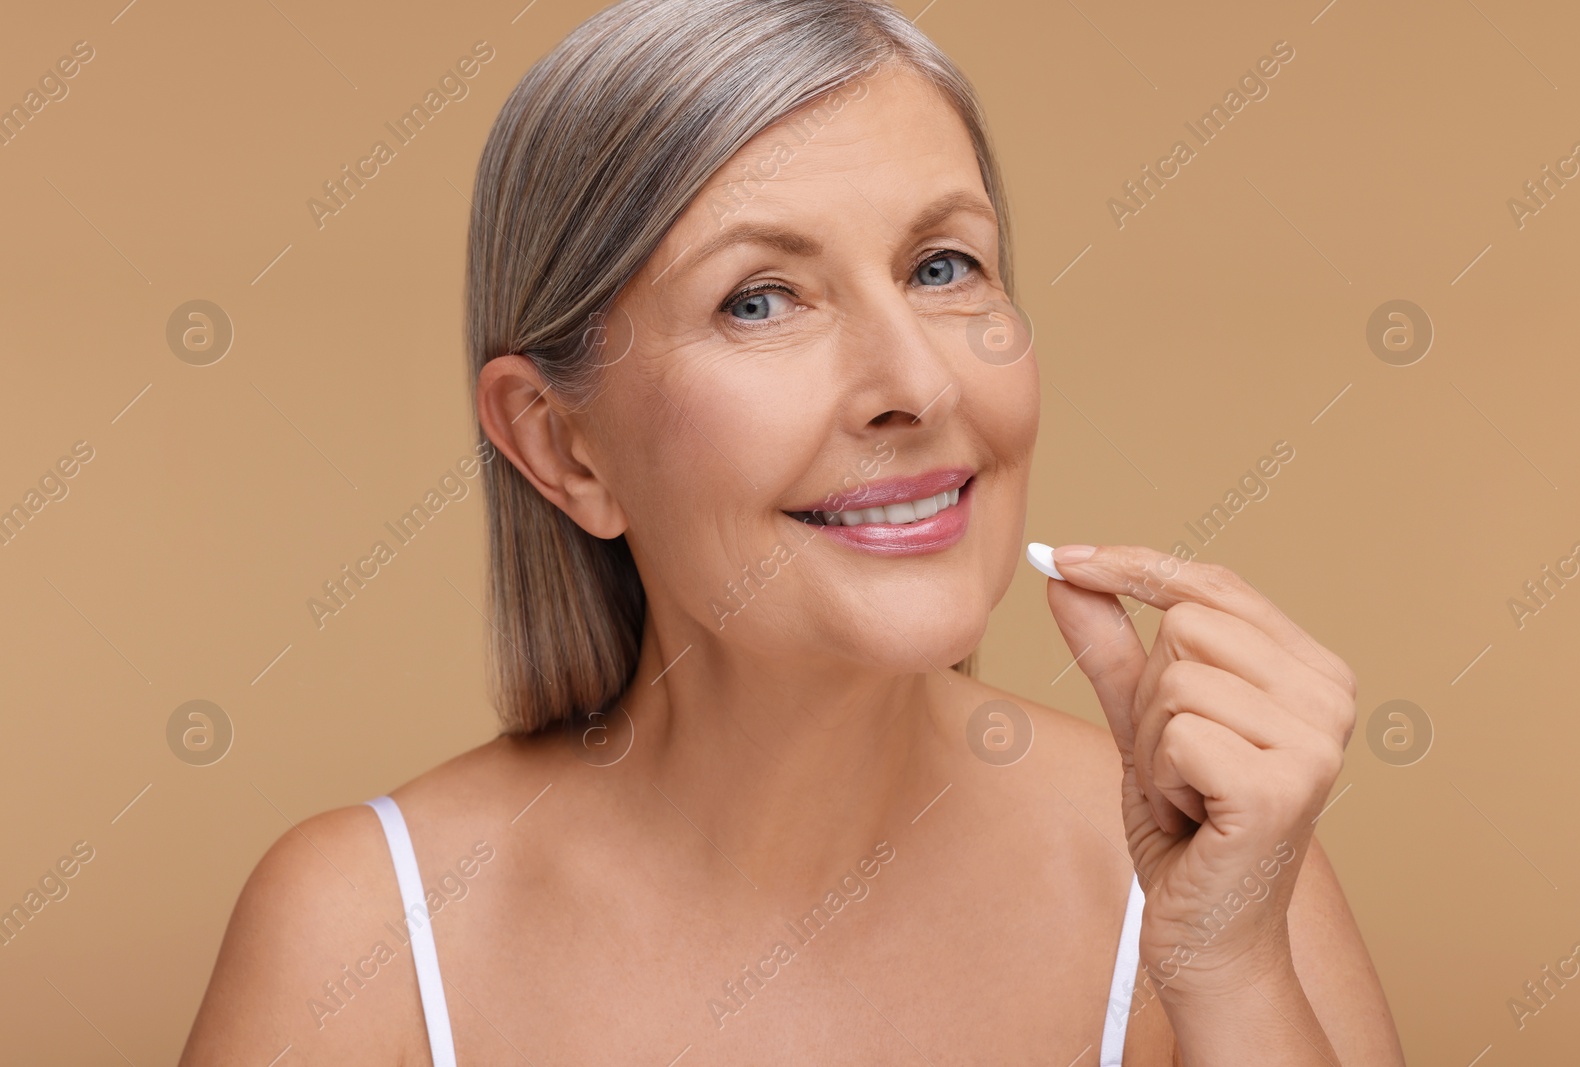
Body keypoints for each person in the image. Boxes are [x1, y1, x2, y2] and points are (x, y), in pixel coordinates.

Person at [181, 0, 1405, 1062]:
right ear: (563, 445)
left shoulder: (1217, 879)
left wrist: (1231, 976)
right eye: (758, 298)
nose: (915, 383)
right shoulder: (360, 934)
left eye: (940, 267)